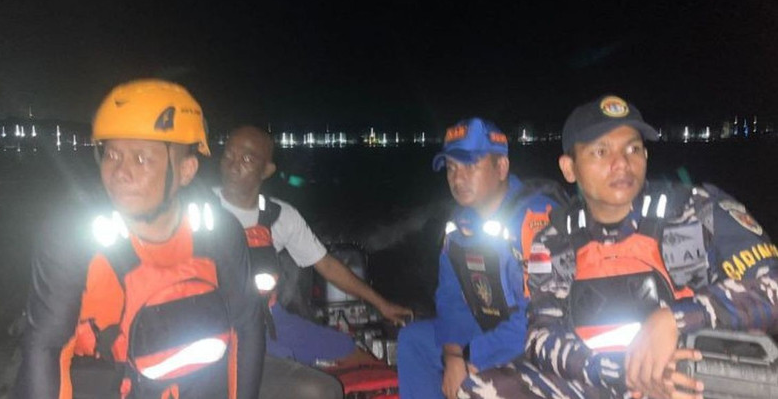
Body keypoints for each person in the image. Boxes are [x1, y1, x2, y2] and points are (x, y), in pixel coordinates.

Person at [460, 95, 778, 399]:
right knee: (481, 389)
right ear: (569, 168)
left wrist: (674, 319)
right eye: (601, 152)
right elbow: (542, 336)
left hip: (693, 377)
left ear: (646, 156)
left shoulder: (697, 211)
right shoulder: (555, 238)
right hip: (607, 377)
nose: (621, 164)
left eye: (633, 149)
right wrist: (616, 370)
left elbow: (772, 285)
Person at [13, 79, 264, 399]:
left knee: (315, 388)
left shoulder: (219, 232)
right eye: (112, 155)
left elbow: (247, 328)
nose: (120, 172)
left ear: (186, 171)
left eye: (141, 159)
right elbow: (46, 350)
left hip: (203, 387)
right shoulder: (74, 239)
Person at [216, 125, 413, 399]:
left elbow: (327, 265)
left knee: (351, 351)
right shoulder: (200, 209)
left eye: (247, 159)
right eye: (229, 155)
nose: (233, 165)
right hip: (219, 324)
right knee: (298, 375)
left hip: (270, 318)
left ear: (267, 170)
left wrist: (381, 304)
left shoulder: (280, 215)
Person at [396, 117, 558, 399]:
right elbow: (450, 298)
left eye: (471, 166)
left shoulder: (537, 220)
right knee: (413, 341)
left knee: (474, 376)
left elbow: (540, 317)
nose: (457, 178)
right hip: (488, 325)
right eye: (451, 168)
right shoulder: (460, 226)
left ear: (501, 167)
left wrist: (471, 356)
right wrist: (452, 352)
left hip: (537, 336)